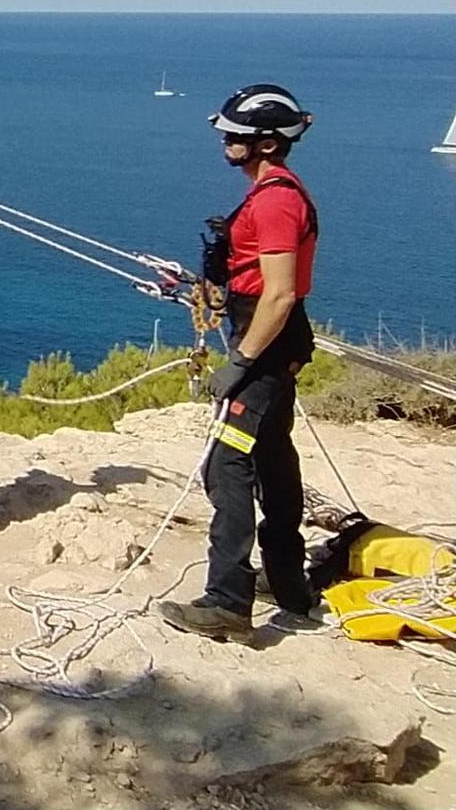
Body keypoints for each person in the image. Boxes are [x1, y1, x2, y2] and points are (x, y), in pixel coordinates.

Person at [160, 84, 320, 642]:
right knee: (274, 455)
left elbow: (277, 295)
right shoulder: (274, 192)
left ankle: (228, 599)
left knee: (227, 466)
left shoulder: (276, 199)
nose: (226, 139)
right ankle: (287, 581)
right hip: (274, 340)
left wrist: (241, 361)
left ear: (267, 143)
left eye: (237, 134)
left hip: (266, 343)